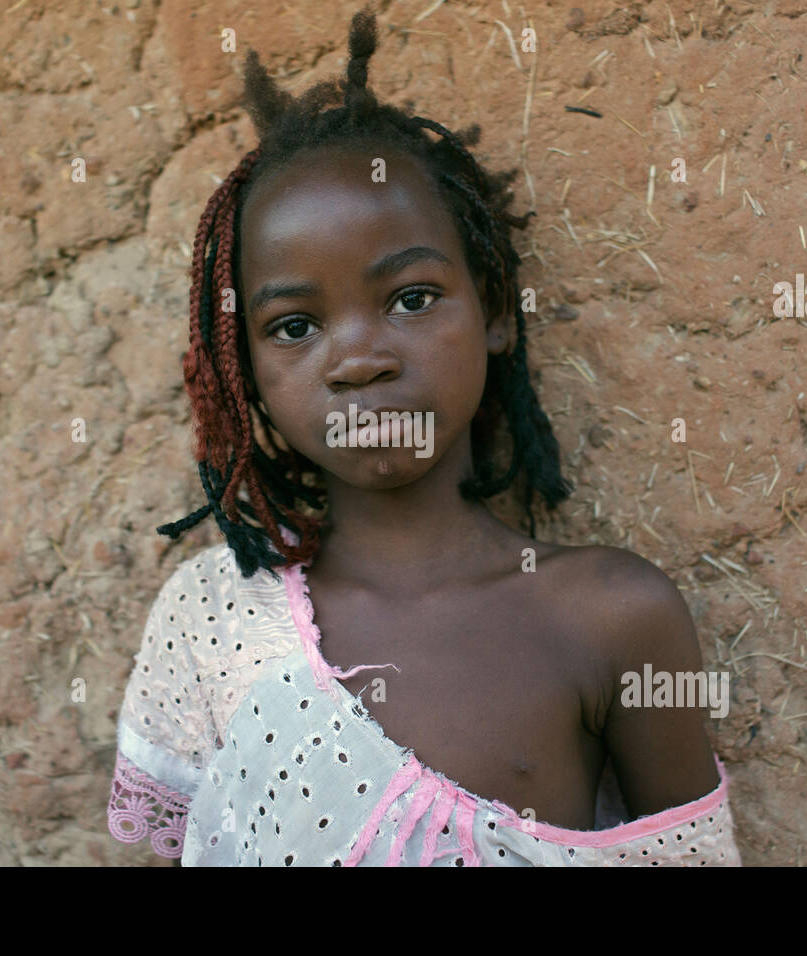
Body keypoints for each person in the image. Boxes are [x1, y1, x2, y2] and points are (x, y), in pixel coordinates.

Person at [107, 8, 741, 866]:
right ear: (241, 368)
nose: (359, 359)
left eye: (411, 298)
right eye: (295, 326)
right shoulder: (213, 615)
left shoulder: (613, 618)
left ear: (493, 312)